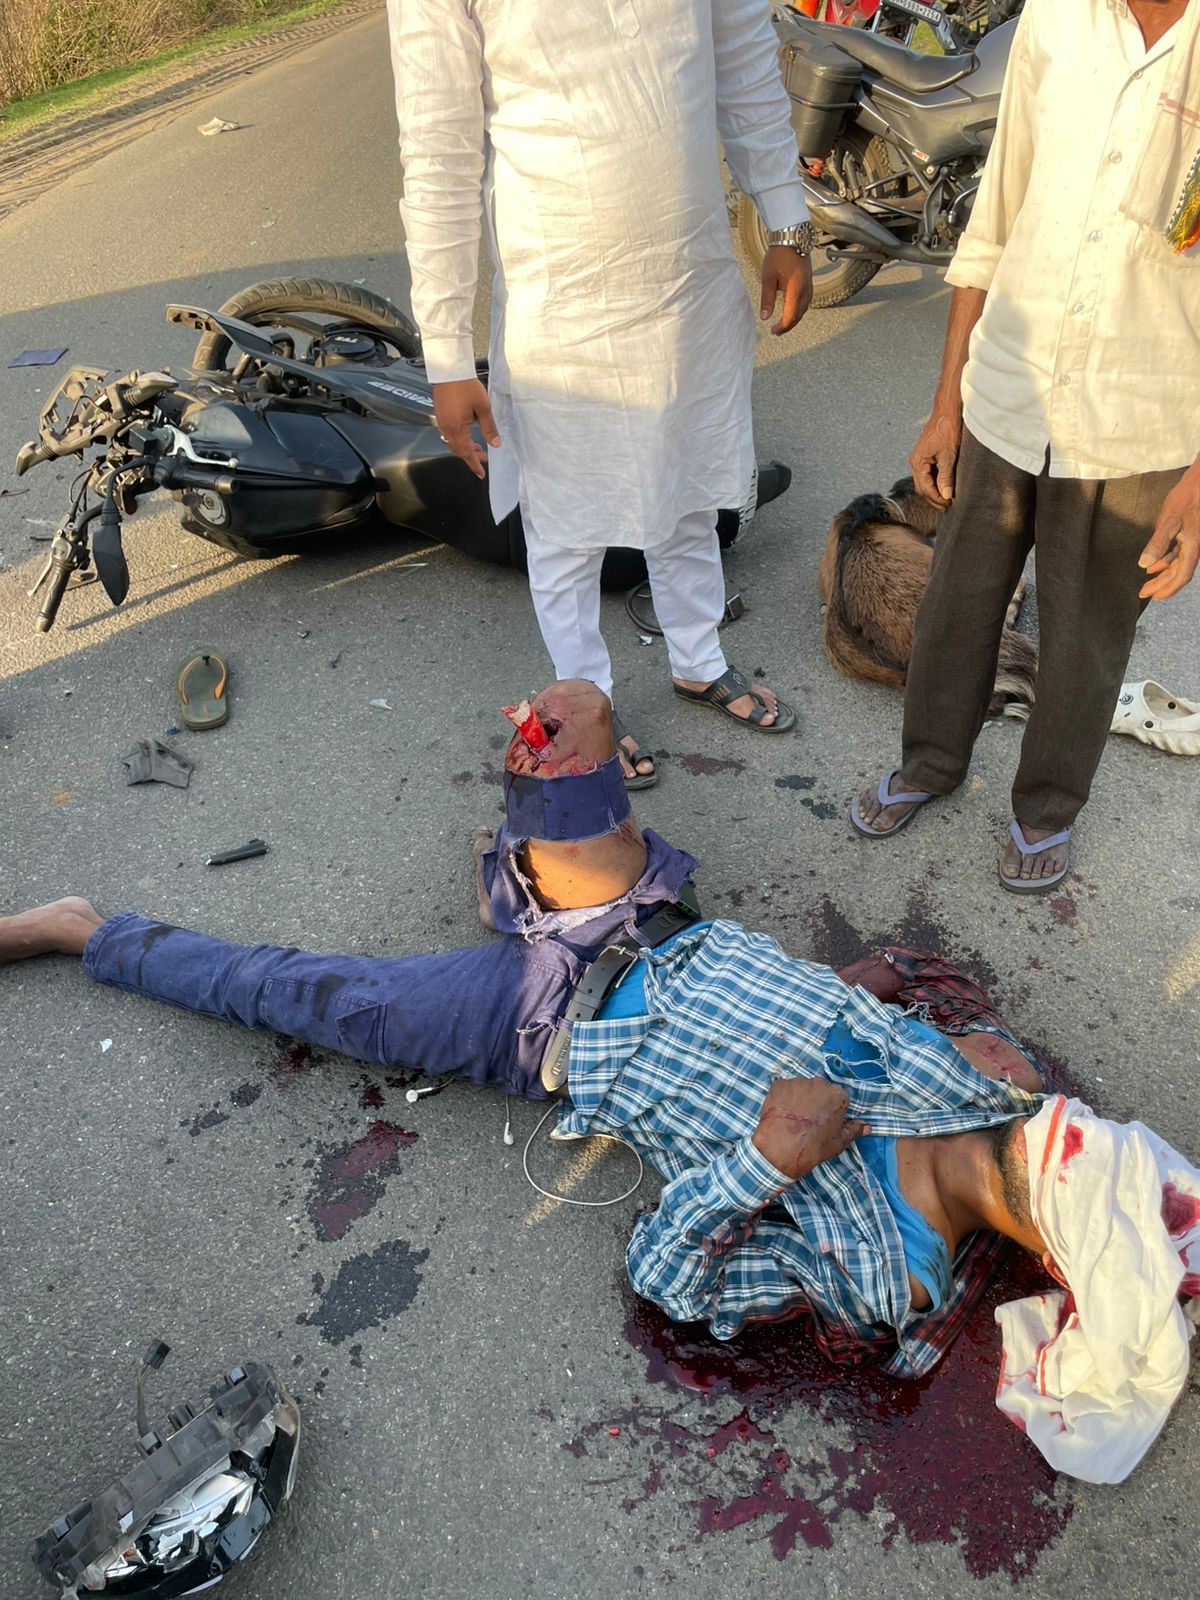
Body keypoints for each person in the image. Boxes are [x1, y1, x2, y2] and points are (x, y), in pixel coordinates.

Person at [5, 679, 1200, 1481]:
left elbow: (669, 1273)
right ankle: (518, 872)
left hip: (554, 1018)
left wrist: (764, 1161)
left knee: (313, 993)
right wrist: (906, 1002)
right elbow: (874, 1007)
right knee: (569, 708)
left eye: (1062, 1150)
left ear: (1055, 1241)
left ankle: (85, 930)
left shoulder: (888, 1272)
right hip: (658, 918)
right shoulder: (976, 1078)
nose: (1049, 1112)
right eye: (1067, 1120)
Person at [387, 0, 816, 787]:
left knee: (686, 481)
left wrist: (787, 220)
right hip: (561, 298)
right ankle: (587, 700)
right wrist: (446, 354)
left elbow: (743, 59)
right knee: (565, 521)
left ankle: (698, 659)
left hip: (686, 274)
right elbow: (439, 154)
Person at [853, 0, 1200, 890]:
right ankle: (930, 762)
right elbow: (995, 222)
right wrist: (946, 405)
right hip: (1009, 387)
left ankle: (1046, 808)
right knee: (957, 603)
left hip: (1142, 416)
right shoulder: (1059, 17)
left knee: (1088, 635)